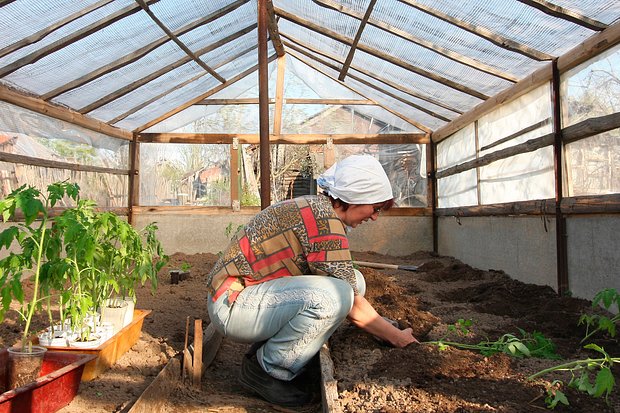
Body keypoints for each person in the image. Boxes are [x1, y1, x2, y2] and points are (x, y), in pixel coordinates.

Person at [206, 154, 418, 407]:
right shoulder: (324, 223)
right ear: (355, 199)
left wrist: (383, 326)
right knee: (333, 297)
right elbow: (350, 303)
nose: (374, 217)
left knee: (354, 283)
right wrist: (397, 337)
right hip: (233, 306)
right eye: (375, 208)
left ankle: (275, 348)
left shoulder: (318, 209)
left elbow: (350, 288)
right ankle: (268, 370)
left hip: (247, 299)